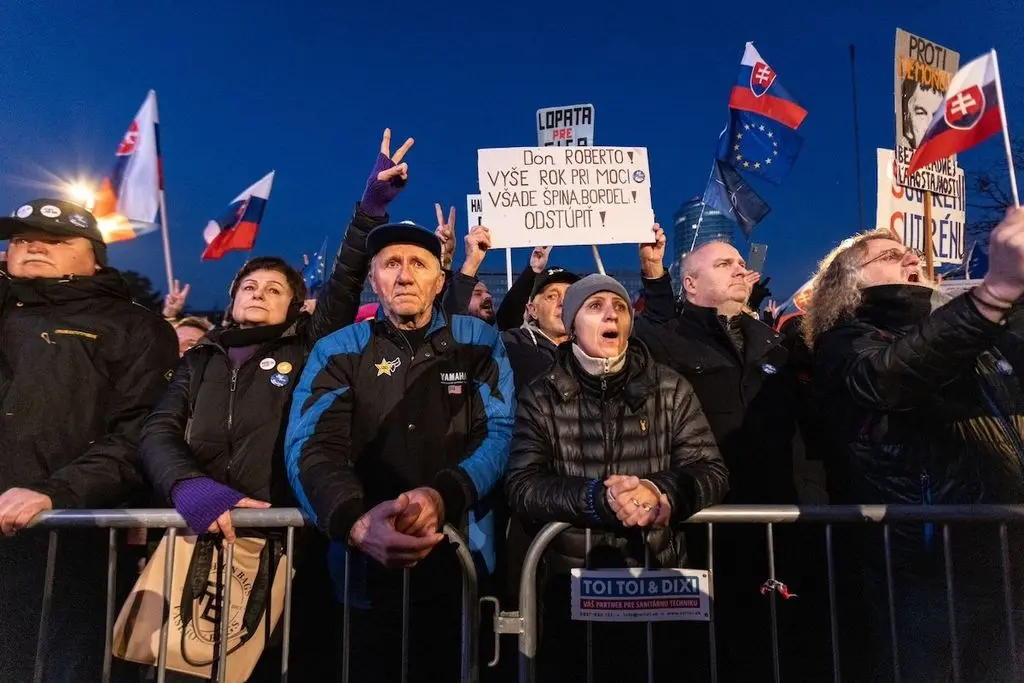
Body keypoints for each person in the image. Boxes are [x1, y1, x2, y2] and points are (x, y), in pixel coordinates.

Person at [140, 128, 415, 680]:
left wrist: (370, 210)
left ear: (294, 306)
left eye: (274, 288)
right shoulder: (201, 359)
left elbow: (341, 284)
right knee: (186, 664)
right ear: (233, 298)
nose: (259, 293)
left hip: (289, 541)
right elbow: (157, 432)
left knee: (284, 662)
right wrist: (191, 488)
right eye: (249, 286)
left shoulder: (309, 347)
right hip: (199, 533)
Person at [285, 221, 515, 683]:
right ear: (374, 279)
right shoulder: (338, 349)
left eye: (418, 264)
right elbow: (310, 444)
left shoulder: (478, 342)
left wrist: (442, 496)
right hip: (361, 569)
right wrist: (355, 522)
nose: (404, 276)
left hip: (463, 560)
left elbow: (498, 430)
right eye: (391, 264)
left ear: (440, 279)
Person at [805, 212, 1024, 682]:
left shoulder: (973, 333)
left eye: (911, 253)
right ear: (849, 285)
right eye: (888, 255)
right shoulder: (848, 340)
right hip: (931, 564)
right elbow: (885, 378)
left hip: (1009, 550)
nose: (910, 256)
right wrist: (993, 294)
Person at [506, 274, 728, 682]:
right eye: (594, 306)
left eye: (620, 306)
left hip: (658, 581)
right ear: (572, 324)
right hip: (571, 589)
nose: (611, 313)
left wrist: (660, 492)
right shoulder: (542, 394)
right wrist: (597, 498)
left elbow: (710, 470)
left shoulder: (670, 388)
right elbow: (523, 484)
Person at [0, 198, 178, 682]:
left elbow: (139, 431)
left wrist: (57, 493)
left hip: (64, 539)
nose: (33, 245)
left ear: (95, 257)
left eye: (55, 240)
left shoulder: (135, 327)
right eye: (19, 239)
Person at [634, 239, 828, 681]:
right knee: (716, 654)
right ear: (691, 284)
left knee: (787, 649)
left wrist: (814, 500)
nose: (742, 271)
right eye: (725, 264)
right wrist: (652, 273)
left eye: (742, 263)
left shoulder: (776, 344)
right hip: (706, 528)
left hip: (784, 524)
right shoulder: (666, 344)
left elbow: (806, 430)